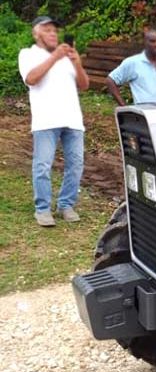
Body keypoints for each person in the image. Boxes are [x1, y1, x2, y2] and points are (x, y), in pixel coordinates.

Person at [18, 16, 90, 226]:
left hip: (73, 119)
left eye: (55, 31)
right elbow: (31, 79)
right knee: (42, 165)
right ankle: (42, 209)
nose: (53, 34)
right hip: (46, 120)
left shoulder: (67, 57)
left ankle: (66, 204)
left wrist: (77, 63)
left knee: (75, 164)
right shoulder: (28, 54)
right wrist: (55, 57)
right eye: (47, 29)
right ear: (36, 33)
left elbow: (84, 85)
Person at [106, 28, 156, 105]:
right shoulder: (133, 63)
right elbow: (110, 80)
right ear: (145, 43)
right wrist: (124, 106)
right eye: (152, 41)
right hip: (143, 113)